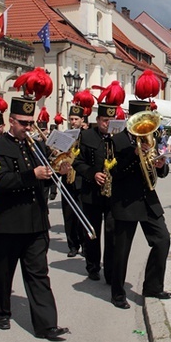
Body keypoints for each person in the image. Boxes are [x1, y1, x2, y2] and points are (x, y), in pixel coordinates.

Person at [0, 96, 68, 340]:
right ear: (11, 121)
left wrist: (59, 172)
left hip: (35, 222)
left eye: (31, 123)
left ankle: (46, 325)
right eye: (23, 122)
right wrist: (32, 174)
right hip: (8, 222)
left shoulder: (37, 147)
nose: (28, 128)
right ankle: (1, 311)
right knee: (3, 271)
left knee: (39, 274)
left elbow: (48, 178)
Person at [108, 100, 171, 309]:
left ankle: (153, 286)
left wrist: (160, 166)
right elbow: (114, 172)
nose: (144, 127)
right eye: (141, 121)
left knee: (162, 240)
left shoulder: (151, 139)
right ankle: (117, 293)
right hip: (125, 201)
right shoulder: (116, 141)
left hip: (148, 199)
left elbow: (158, 172)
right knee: (121, 250)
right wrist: (134, 156)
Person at [73, 101, 118, 283]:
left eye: (111, 120)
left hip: (112, 194)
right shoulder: (86, 136)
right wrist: (92, 174)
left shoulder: (118, 137)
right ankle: (92, 266)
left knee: (112, 232)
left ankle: (110, 269)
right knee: (92, 232)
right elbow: (77, 162)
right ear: (98, 119)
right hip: (91, 192)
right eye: (105, 120)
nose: (108, 123)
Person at [61, 104, 86, 258]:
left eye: (76, 119)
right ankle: (72, 244)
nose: (73, 122)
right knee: (69, 214)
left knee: (82, 213)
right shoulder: (64, 135)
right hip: (67, 178)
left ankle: (85, 244)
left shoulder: (87, 136)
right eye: (71, 119)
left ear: (82, 120)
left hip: (81, 179)